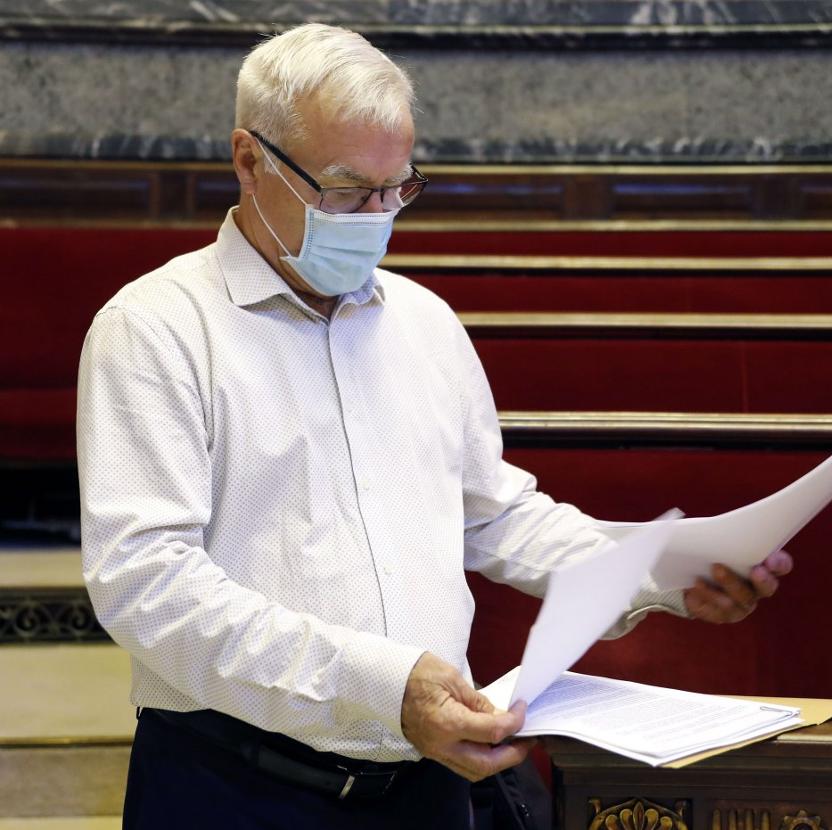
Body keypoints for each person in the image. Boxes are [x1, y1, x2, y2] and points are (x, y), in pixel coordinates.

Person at [76, 23, 792, 830]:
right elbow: (147, 585)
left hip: (429, 787)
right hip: (237, 787)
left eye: (397, 188)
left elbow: (495, 515)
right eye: (346, 190)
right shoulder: (155, 328)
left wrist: (665, 572)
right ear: (249, 160)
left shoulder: (424, 321)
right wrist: (384, 685)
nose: (375, 217)